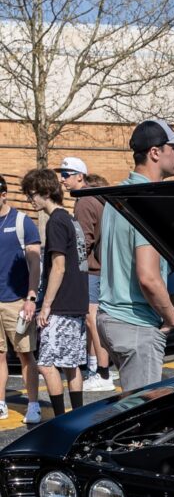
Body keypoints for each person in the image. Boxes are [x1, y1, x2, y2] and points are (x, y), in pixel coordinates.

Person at [97, 119, 174, 391]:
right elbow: (148, 277)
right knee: (143, 413)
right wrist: (172, 318)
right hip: (135, 323)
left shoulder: (117, 196)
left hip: (111, 317)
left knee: (131, 405)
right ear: (155, 152)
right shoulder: (145, 201)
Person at [20, 168, 89, 416]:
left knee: (47, 365)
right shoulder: (70, 219)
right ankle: (78, 416)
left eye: (32, 194)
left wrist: (46, 305)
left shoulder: (56, 222)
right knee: (71, 365)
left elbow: (58, 266)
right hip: (77, 302)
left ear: (46, 191)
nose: (30, 200)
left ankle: (60, 418)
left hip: (61, 304)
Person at [56, 158, 114, 393]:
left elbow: (83, 242)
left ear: (80, 176)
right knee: (93, 321)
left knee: (92, 320)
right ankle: (96, 369)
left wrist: (72, 270)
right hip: (98, 268)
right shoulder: (95, 197)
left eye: (66, 174)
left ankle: (103, 373)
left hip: (90, 270)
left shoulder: (84, 202)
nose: (62, 179)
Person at [0, 174, 42, 424]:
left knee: (25, 354)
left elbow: (35, 263)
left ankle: (34, 404)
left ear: (4, 194)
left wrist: (31, 297)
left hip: (17, 300)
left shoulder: (22, 222)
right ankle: (1, 403)